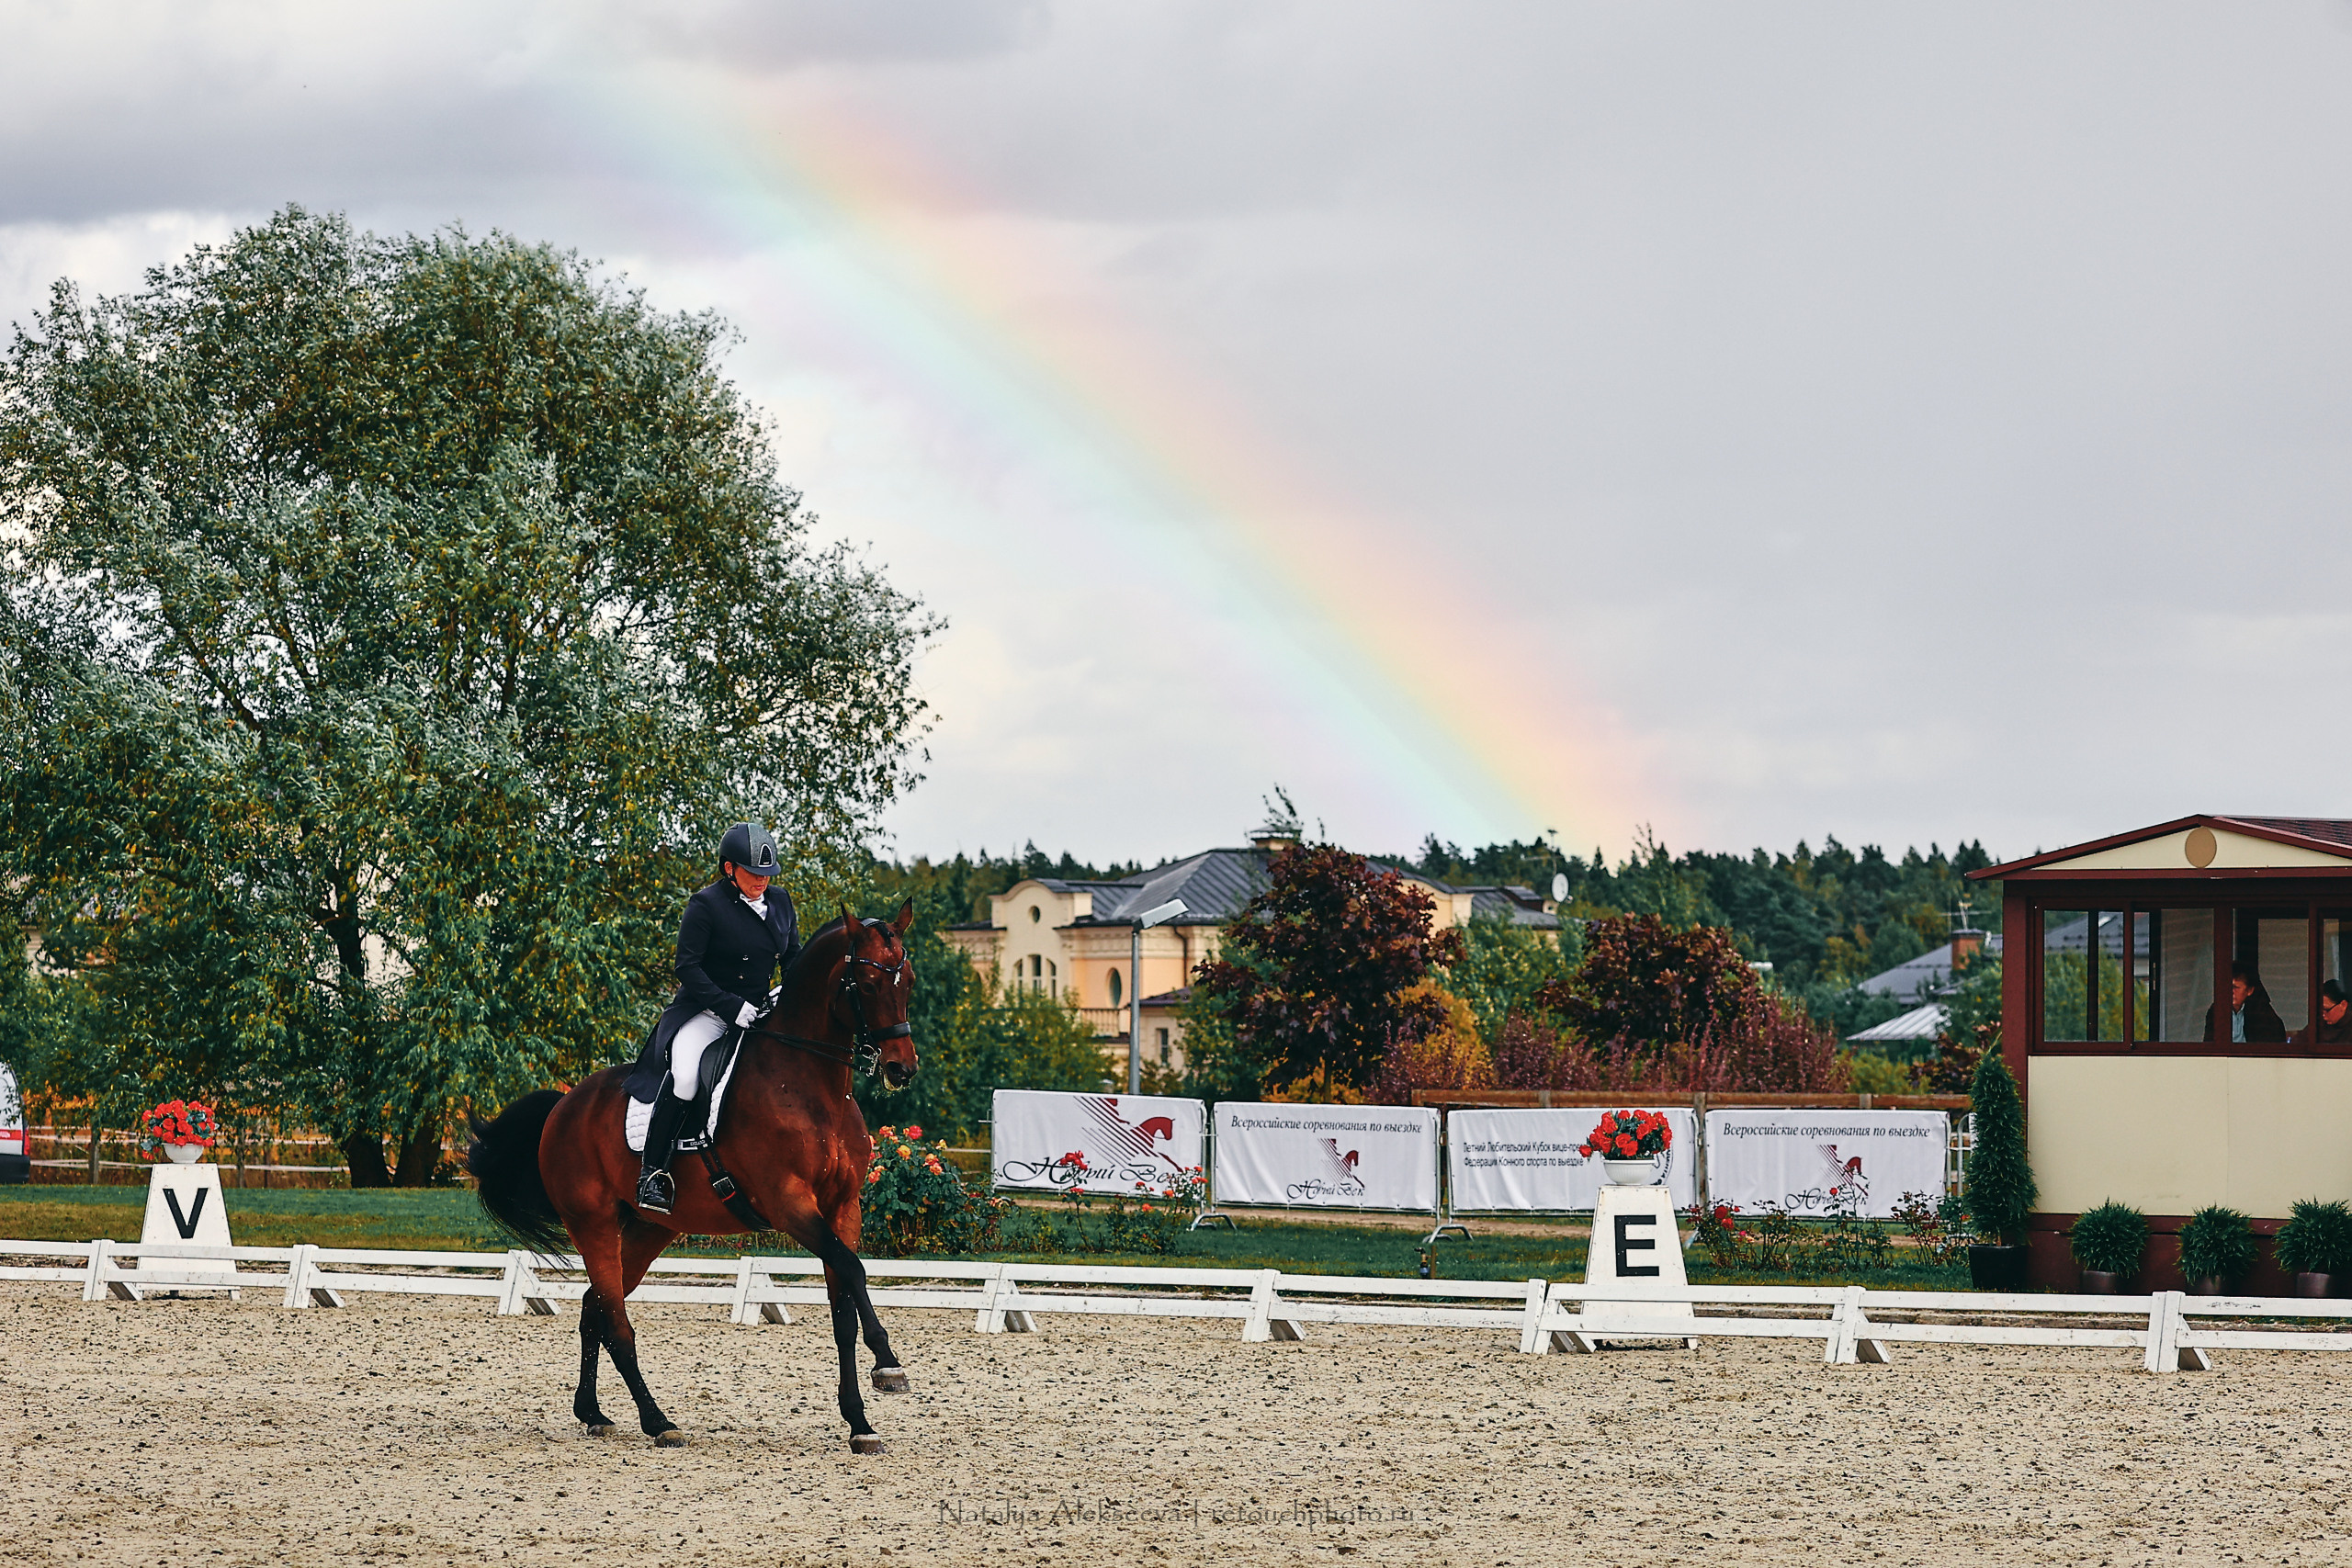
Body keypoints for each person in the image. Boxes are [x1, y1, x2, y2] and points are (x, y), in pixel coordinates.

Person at [628, 822, 802, 1215]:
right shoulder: (705, 905)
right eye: (753, 873)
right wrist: (729, 1006)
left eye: (768, 874)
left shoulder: (781, 902)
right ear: (729, 869)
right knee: (687, 1076)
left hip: (759, 1009)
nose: (762, 880)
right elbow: (687, 968)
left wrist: (789, 996)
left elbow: (792, 956)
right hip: (707, 1011)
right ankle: (652, 1174)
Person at [2204, 959, 2289, 1044]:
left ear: (2250, 990)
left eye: (2236, 987)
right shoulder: (2216, 1011)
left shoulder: (2262, 1013)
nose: (2231, 991)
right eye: (2228, 986)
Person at [2294, 979, 2352, 1049]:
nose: (2323, 1015)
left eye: (2326, 1010)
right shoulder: (2319, 1025)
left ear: (2343, 1005)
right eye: (2320, 1009)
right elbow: (2297, 1044)